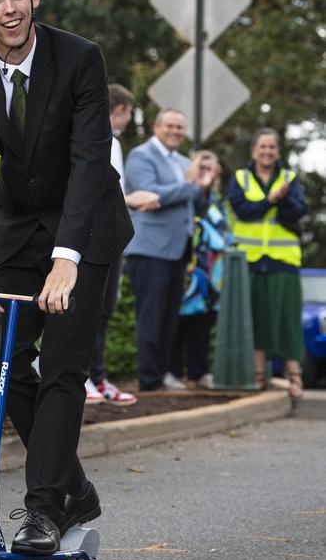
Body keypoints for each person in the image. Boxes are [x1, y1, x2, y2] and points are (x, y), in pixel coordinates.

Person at [0, 0, 133, 555]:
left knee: (62, 367)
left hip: (88, 227)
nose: (9, 8)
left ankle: (44, 509)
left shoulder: (81, 59)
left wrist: (68, 259)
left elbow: (89, 160)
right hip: (18, 226)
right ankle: (74, 484)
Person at [123, 108, 213, 393]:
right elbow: (150, 195)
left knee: (169, 317)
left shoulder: (185, 162)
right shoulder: (141, 156)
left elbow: (194, 205)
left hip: (178, 250)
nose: (175, 131)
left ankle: (163, 374)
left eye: (180, 127)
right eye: (170, 126)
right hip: (150, 249)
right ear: (156, 127)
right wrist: (190, 185)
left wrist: (204, 189)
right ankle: (150, 379)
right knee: (151, 316)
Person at [85, 84, 159, 406]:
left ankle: (98, 378)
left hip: (111, 238)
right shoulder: (98, 138)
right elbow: (95, 188)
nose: (128, 121)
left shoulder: (113, 142)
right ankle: (81, 377)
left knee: (104, 311)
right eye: (128, 113)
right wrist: (133, 200)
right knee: (87, 310)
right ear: (120, 110)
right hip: (90, 238)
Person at [228, 128, 307, 400]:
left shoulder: (290, 179)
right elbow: (243, 212)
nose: (267, 152)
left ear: (278, 151)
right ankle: (259, 376)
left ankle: (294, 376)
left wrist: (283, 199)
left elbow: (297, 212)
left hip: (282, 262)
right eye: (262, 147)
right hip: (249, 262)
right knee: (257, 319)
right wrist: (270, 200)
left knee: (286, 319)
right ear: (254, 151)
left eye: (272, 147)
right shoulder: (240, 178)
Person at [167, 150, 230, 390]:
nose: (207, 173)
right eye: (201, 167)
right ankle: (172, 371)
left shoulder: (217, 199)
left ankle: (199, 372)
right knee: (179, 322)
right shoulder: (188, 194)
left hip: (212, 273)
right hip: (188, 268)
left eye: (211, 168)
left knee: (203, 323)